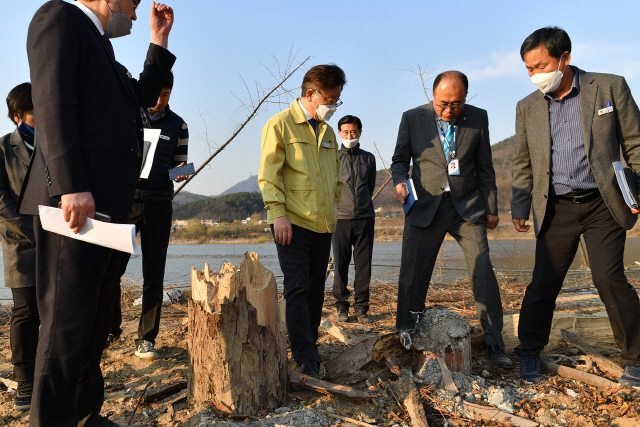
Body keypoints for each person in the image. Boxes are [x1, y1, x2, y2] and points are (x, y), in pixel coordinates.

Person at [19, 1, 176, 425]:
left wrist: (158, 40)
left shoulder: (102, 46)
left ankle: (84, 414)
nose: (134, 8)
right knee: (66, 325)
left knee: (94, 320)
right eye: (134, 3)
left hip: (107, 208)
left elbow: (141, 97)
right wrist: (70, 183)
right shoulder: (60, 18)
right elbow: (52, 103)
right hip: (76, 205)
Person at [511, 26, 640, 386]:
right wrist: (520, 206)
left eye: (541, 65)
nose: (535, 75)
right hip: (556, 207)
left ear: (565, 58)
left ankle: (636, 356)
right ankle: (529, 352)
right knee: (543, 283)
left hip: (604, 203)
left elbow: (635, 141)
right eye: (529, 69)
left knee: (608, 277)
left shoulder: (609, 87)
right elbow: (522, 162)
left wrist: (638, 189)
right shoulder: (527, 107)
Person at [390, 71, 514, 369]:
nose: (448, 110)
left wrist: (492, 207)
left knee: (483, 271)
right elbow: (399, 161)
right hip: (425, 206)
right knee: (413, 273)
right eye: (442, 103)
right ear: (433, 96)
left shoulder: (478, 118)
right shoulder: (412, 118)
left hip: (467, 207)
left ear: (465, 98)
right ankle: (407, 336)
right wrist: (399, 181)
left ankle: (495, 342)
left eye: (456, 104)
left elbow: (485, 166)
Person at [259, 64, 346, 379]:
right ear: (312, 94)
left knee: (316, 290)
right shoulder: (280, 125)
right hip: (291, 222)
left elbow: (336, 179)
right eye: (331, 99)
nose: (334, 105)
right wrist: (278, 214)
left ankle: (308, 344)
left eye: (337, 99)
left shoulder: (327, 133)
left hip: (322, 224)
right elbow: (269, 175)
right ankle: (305, 356)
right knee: (296, 287)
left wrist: (332, 210)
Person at [107, 70, 190, 360]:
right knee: (112, 269)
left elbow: (180, 166)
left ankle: (146, 339)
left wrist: (182, 173)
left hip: (159, 204)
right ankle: (110, 327)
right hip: (125, 203)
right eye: (155, 94)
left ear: (170, 94)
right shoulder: (129, 116)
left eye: (165, 95)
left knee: (153, 274)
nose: (158, 100)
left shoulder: (178, 125)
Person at [1, 83, 39, 412]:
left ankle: (49, 371)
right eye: (33, 110)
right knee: (25, 310)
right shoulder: (2, 148)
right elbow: (1, 202)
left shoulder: (57, 143)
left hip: (59, 238)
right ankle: (24, 379)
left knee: (55, 309)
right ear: (17, 116)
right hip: (20, 241)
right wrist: (30, 227)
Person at [332, 115, 376, 324]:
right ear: (339, 133)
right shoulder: (332, 157)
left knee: (363, 265)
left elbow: (370, 186)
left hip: (365, 218)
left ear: (359, 132)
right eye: (345, 131)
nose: (350, 135)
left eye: (353, 131)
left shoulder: (368, 158)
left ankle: (362, 308)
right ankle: (341, 306)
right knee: (340, 264)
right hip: (340, 218)